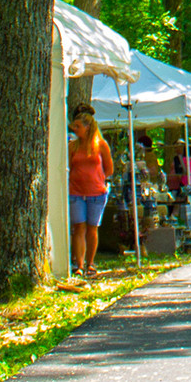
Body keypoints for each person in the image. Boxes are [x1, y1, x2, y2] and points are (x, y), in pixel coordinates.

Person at [68, 111, 114, 278]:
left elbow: (109, 169)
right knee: (78, 227)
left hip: (96, 193)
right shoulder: (72, 146)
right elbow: (68, 167)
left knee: (92, 228)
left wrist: (98, 179)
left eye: (78, 126)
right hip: (76, 192)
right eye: (74, 126)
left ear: (87, 127)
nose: (74, 129)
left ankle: (90, 263)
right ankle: (79, 265)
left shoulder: (101, 145)